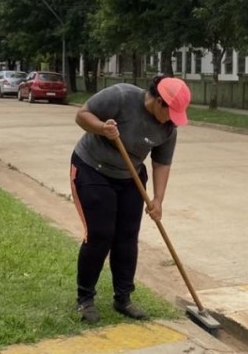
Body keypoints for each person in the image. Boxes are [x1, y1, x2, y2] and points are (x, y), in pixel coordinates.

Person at [69, 75, 192, 324]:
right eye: (172, 112)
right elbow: (82, 115)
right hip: (93, 168)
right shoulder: (122, 96)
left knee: (127, 236)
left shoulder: (169, 128)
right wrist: (102, 128)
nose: (173, 120)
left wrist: (158, 200)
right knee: (101, 234)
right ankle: (85, 299)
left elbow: (161, 162)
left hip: (130, 175)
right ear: (159, 101)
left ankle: (123, 298)